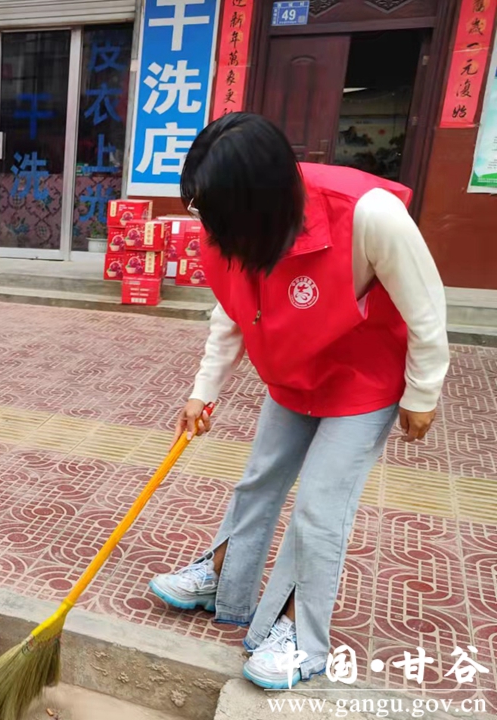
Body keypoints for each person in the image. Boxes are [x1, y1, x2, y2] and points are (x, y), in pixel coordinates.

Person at [148, 114, 450, 690]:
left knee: (319, 506)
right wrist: (202, 391)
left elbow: (427, 307)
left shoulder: (369, 215)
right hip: (291, 376)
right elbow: (232, 308)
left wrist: (422, 391)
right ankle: (223, 579)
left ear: (263, 204)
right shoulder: (231, 222)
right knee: (258, 480)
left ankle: (300, 635)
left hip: (362, 382)